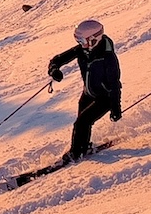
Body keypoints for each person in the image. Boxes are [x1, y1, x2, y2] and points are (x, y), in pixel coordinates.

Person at [48, 19, 121, 163]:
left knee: (82, 122)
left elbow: (114, 85)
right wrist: (54, 70)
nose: (80, 45)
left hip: (104, 97)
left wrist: (115, 109)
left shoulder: (108, 58)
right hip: (88, 94)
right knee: (82, 122)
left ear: (94, 39)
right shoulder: (82, 50)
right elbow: (57, 59)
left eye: (82, 41)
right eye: (79, 41)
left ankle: (75, 153)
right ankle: (83, 146)